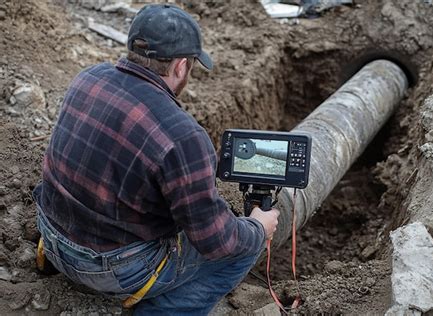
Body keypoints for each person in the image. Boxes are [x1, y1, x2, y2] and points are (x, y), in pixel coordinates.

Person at [33, 3, 280, 315]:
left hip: (53, 237)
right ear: (180, 66)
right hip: (111, 268)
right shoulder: (183, 136)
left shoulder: (88, 78)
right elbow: (217, 241)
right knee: (241, 248)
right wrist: (258, 227)